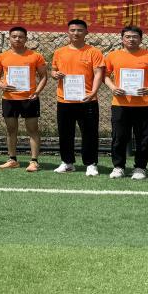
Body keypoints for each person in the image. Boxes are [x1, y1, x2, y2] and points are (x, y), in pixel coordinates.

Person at [103, 25, 148, 180]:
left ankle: (140, 168)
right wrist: (113, 88)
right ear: (122, 39)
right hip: (120, 103)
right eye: (128, 36)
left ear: (141, 39)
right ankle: (118, 167)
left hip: (144, 104)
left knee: (143, 138)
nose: (131, 39)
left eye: (135, 37)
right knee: (119, 136)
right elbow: (105, 76)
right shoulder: (113, 55)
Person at [49, 19, 104, 176]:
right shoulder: (59, 52)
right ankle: (67, 162)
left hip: (87, 99)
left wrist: (93, 92)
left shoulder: (94, 52)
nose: (76, 33)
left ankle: (91, 164)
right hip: (65, 99)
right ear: (68, 32)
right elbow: (53, 71)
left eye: (80, 30)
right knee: (65, 132)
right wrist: (55, 74)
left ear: (86, 32)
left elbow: (98, 73)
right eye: (72, 30)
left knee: (89, 133)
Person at [0, 26, 48, 172]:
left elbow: (44, 76)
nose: (17, 39)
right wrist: (2, 85)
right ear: (9, 38)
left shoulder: (35, 56)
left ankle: (34, 161)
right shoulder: (2, 56)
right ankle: (12, 160)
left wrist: (37, 92)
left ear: (26, 39)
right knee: (11, 129)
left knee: (33, 129)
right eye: (14, 36)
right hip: (9, 98)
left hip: (30, 98)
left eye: (21, 37)